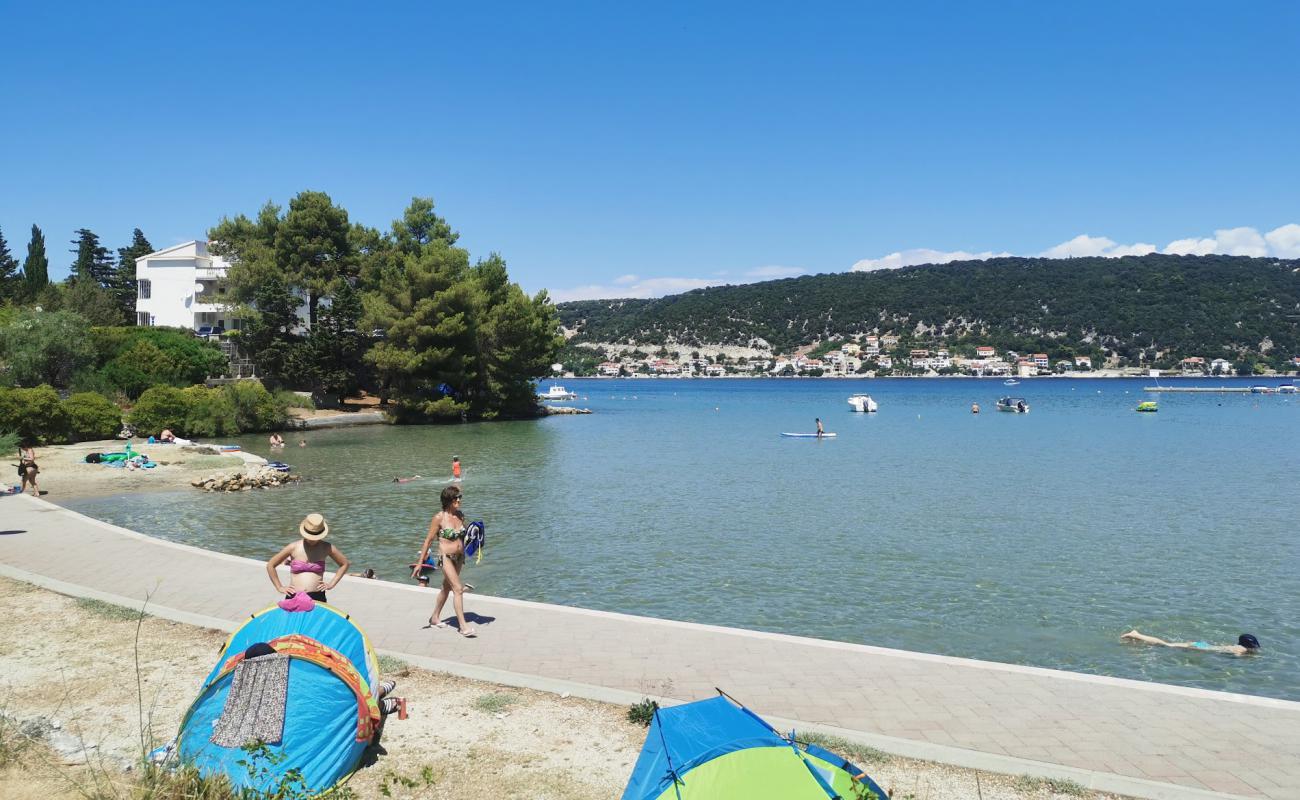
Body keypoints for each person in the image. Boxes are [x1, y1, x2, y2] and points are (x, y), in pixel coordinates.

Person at [413, 485, 475, 637]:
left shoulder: (460, 515)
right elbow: (428, 540)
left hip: (459, 558)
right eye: (456, 498)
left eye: (460, 497)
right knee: (458, 589)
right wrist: (420, 563)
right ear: (449, 500)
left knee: (446, 588)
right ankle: (463, 626)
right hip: (445, 558)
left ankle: (434, 617)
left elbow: (464, 535)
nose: (459, 500)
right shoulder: (439, 518)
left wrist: (474, 536)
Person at [266, 513, 350, 604]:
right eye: (310, 537)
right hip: (294, 594)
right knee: (293, 619)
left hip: (317, 596)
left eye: (315, 537)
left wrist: (331, 584)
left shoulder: (327, 547)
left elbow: (345, 564)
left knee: (316, 619)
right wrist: (279, 587)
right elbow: (271, 565)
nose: (312, 540)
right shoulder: (293, 547)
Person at [1121, 629, 1261, 655]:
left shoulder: (1237, 646)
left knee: (1167, 644)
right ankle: (1136, 635)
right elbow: (1237, 655)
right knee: (1165, 645)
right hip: (1201, 648)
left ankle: (1137, 637)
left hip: (1201, 645)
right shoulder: (1241, 650)